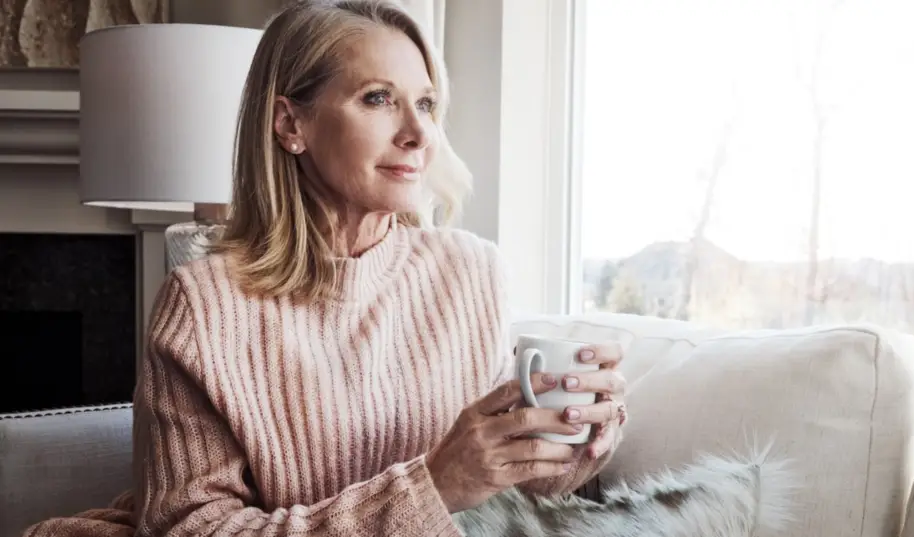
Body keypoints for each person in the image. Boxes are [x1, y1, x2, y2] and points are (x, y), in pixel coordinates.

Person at [22, 1, 626, 536]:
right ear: (291, 124)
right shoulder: (205, 304)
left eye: (426, 104)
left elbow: (509, 494)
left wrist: (575, 440)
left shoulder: (471, 271)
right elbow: (192, 527)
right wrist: (432, 488)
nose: (419, 133)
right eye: (378, 99)